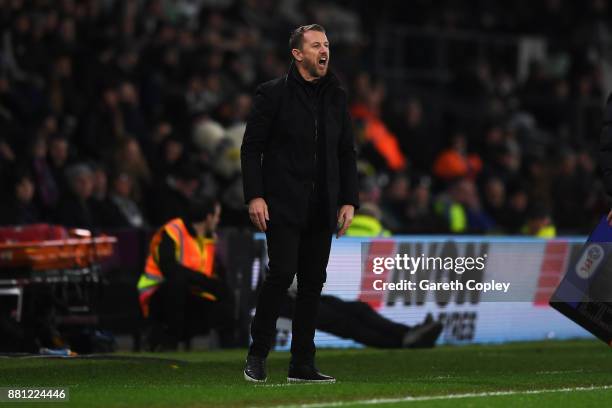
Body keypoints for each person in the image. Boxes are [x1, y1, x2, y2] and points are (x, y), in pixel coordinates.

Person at [240, 24, 359, 383]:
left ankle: (302, 364)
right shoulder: (272, 94)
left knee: (312, 284)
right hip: (283, 203)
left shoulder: (336, 96)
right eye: (316, 45)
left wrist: (348, 200)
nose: (325, 51)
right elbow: (251, 148)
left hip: (322, 206)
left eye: (327, 44)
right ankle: (257, 354)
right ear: (298, 54)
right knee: (281, 274)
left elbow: (346, 153)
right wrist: (255, 195)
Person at [137, 196, 233, 351]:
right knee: (177, 284)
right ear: (208, 218)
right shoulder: (173, 231)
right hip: (156, 294)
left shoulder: (210, 240)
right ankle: (166, 339)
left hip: (190, 292)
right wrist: (205, 281)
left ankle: (229, 349)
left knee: (224, 293)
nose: (218, 220)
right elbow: (169, 269)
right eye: (217, 216)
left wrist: (213, 285)